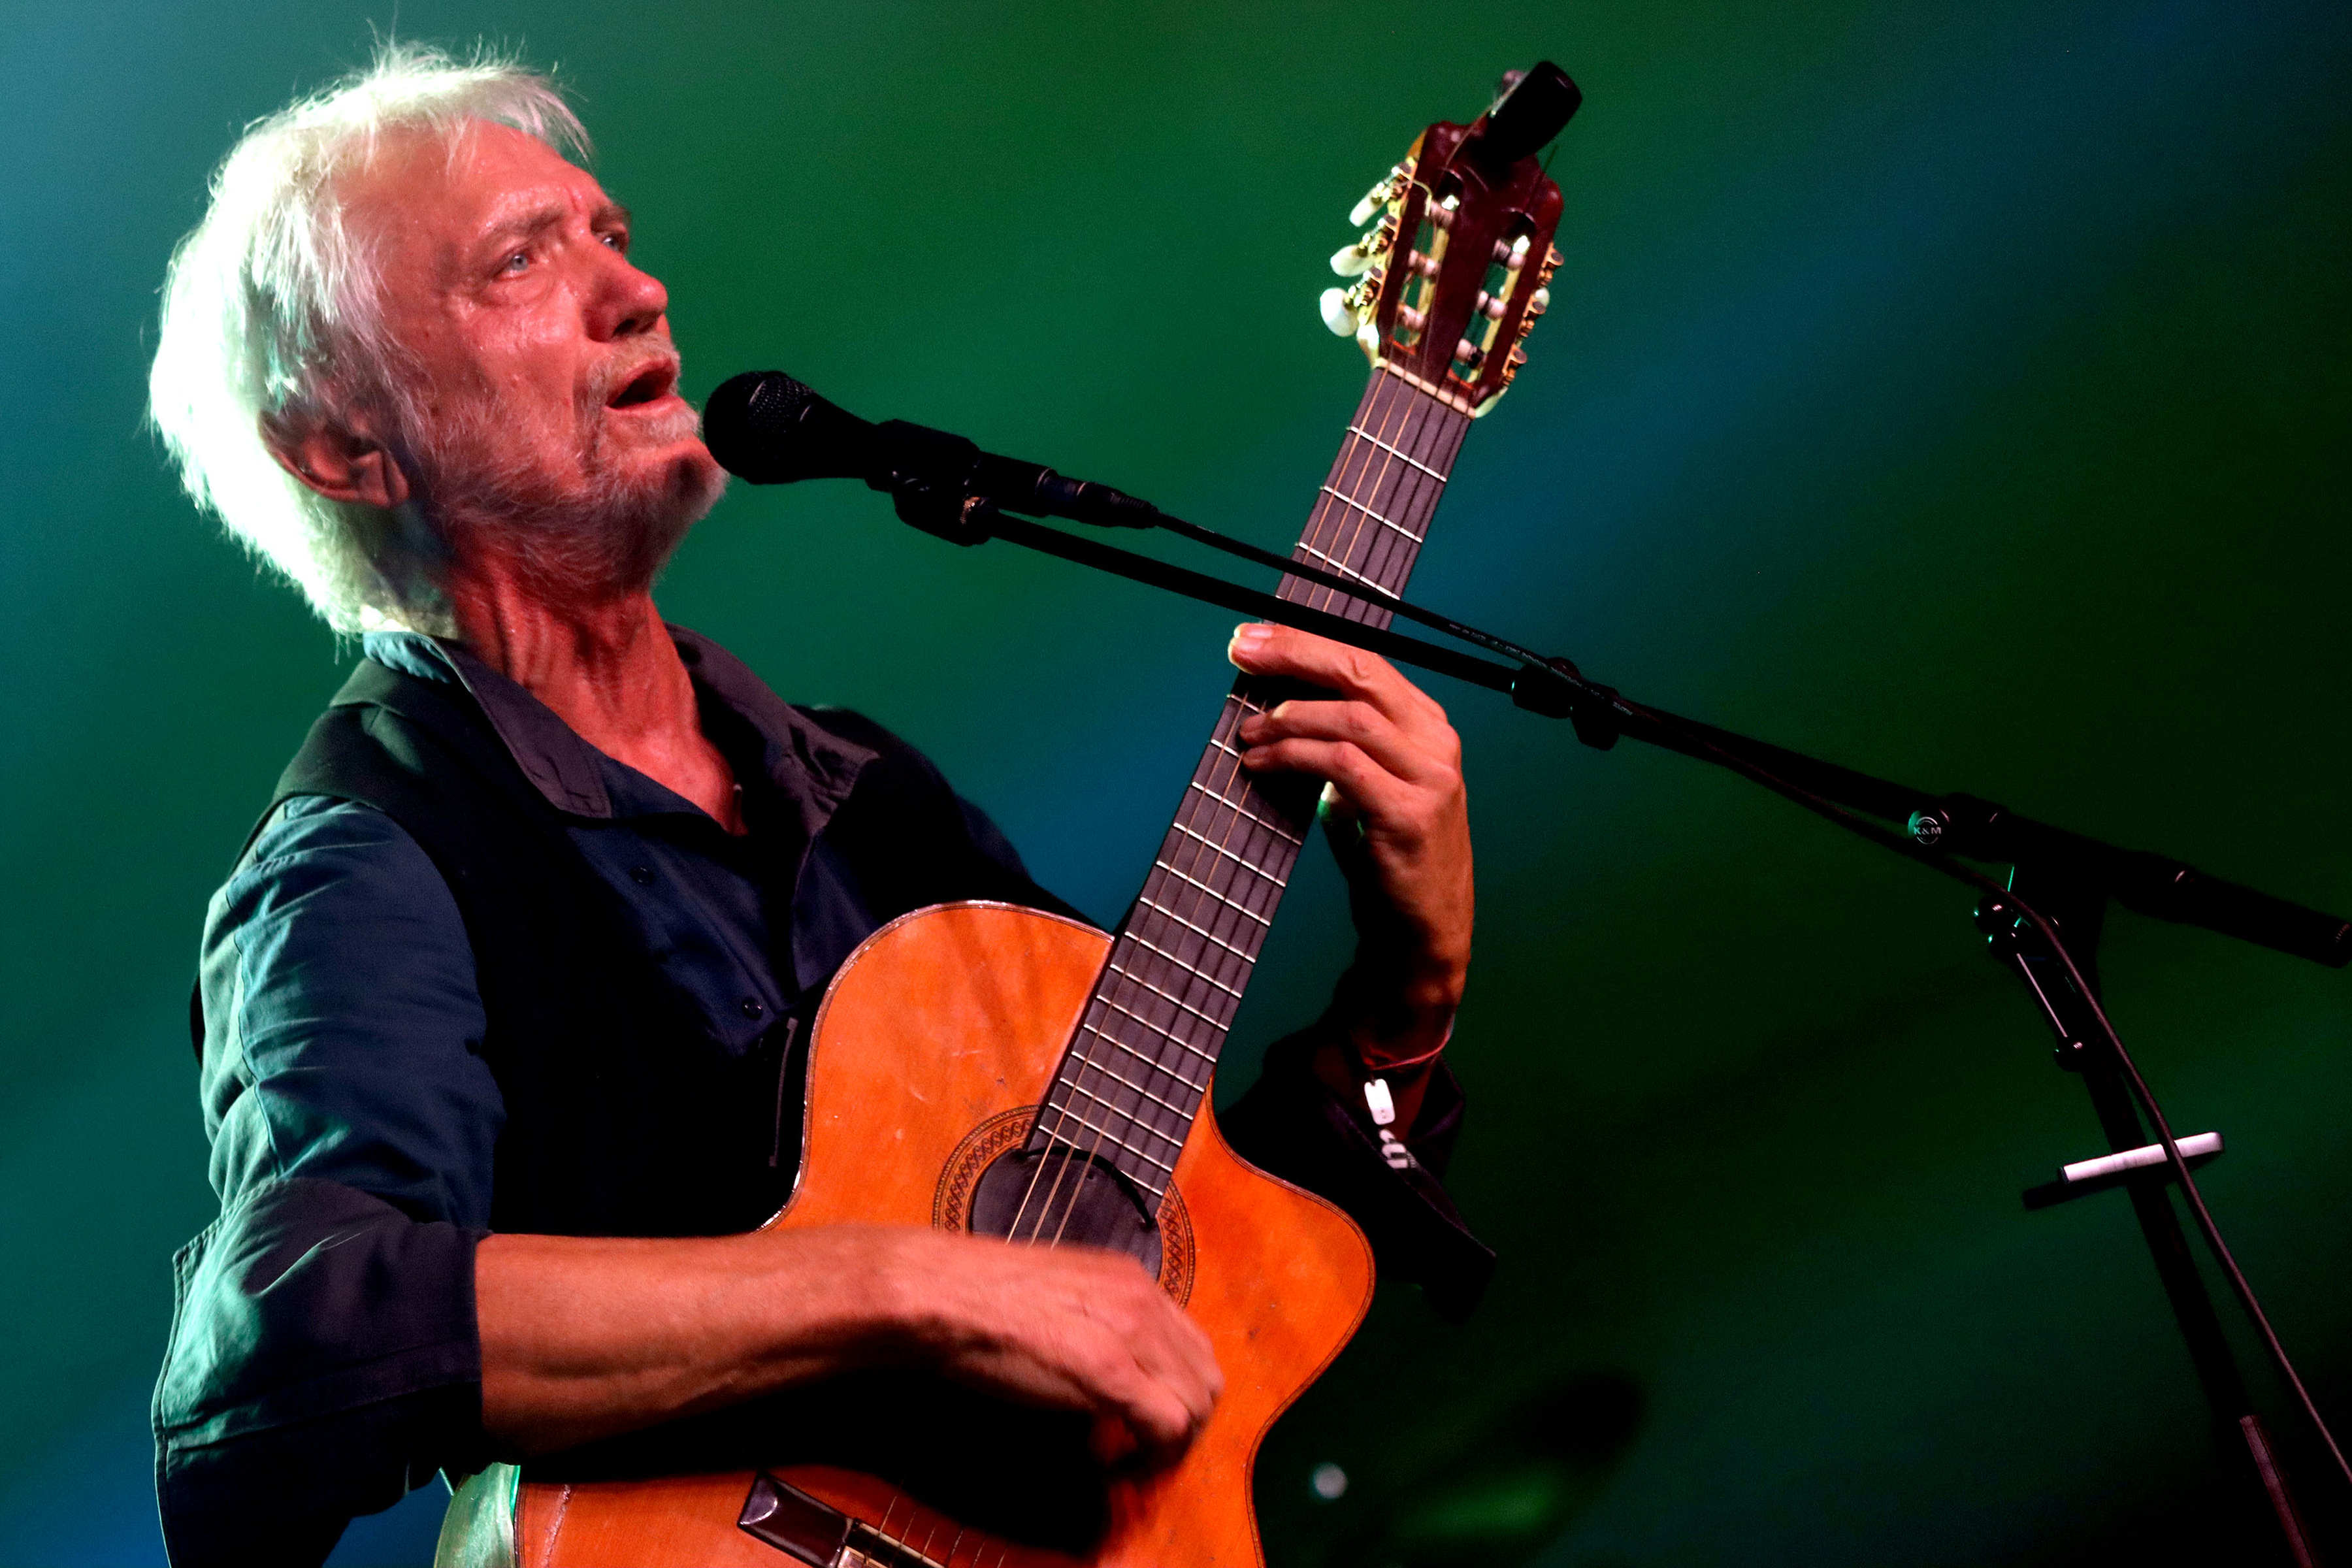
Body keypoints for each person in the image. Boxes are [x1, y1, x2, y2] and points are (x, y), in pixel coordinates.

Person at [148, 43, 1489, 1567]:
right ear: (342, 442)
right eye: (522, 259)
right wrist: (909, 1288)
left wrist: (1408, 999)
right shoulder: (370, 857)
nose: (635, 293)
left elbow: (1187, 1280)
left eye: (615, 237)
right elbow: (293, 1345)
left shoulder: (874, 798)